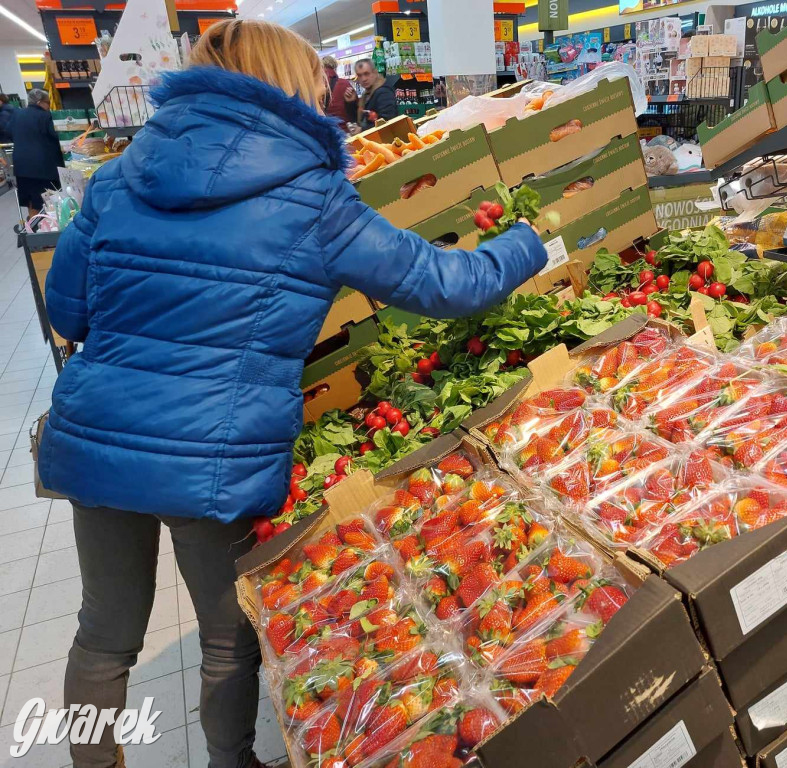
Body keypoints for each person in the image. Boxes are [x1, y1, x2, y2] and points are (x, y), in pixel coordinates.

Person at [42, 19, 545, 768]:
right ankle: (230, 763)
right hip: (215, 454)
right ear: (286, 87)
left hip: (97, 435)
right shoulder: (314, 198)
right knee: (226, 638)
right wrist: (526, 239)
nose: (327, 96)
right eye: (316, 83)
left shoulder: (118, 180)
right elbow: (443, 284)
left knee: (104, 632)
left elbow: (67, 313)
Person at [13, 89, 63, 217]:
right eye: (48, 103)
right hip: (44, 168)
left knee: (31, 202)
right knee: (49, 200)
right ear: (40, 102)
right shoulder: (46, 116)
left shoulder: (17, 115)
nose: (48, 106)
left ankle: (33, 229)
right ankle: (49, 230)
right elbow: (57, 136)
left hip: (21, 167)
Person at [355, 57, 398, 126]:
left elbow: (386, 122)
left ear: (375, 72)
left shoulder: (384, 92)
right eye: (360, 75)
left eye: (366, 74)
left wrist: (361, 130)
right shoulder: (367, 93)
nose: (363, 79)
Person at [323, 54, 357, 126]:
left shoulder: (319, 84)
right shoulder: (344, 83)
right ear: (335, 67)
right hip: (345, 128)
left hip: (328, 129)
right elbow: (355, 108)